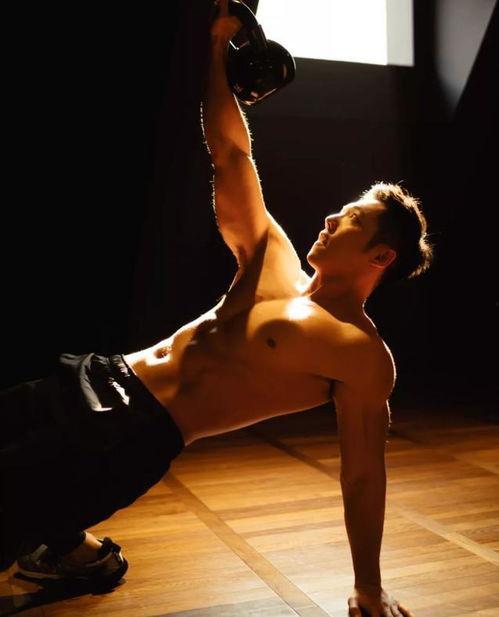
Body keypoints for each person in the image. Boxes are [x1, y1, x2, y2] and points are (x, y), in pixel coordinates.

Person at [1, 1, 430, 614]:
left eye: (351, 220)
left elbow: (363, 475)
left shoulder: (359, 353)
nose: (331, 219)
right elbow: (231, 153)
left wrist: (369, 585)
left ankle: (66, 542)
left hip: (130, 434)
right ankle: (74, 549)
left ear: (380, 256)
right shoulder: (273, 262)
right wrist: (215, 47)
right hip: (96, 375)